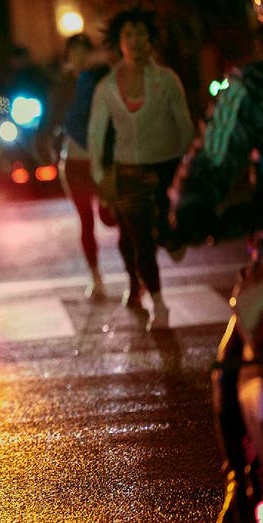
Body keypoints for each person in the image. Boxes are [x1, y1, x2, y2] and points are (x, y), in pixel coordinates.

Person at [174, 23, 263, 521]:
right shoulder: (251, 88)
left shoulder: (250, 86)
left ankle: (240, 482)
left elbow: (210, 162)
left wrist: (189, 212)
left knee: (231, 368)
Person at [87, 7, 194, 331]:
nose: (135, 42)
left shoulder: (166, 80)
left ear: (151, 41)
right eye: (128, 36)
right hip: (128, 171)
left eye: (141, 35)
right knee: (139, 240)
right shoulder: (106, 86)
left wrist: (187, 169)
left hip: (166, 167)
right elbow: (95, 134)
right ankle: (159, 304)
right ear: (119, 43)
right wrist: (100, 175)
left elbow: (185, 127)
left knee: (164, 230)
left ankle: (173, 237)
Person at [39, 33, 107, 301]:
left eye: (84, 51)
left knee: (111, 215)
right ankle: (95, 277)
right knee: (86, 221)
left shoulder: (102, 79)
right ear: (68, 56)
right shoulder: (62, 86)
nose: (80, 57)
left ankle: (134, 279)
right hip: (74, 162)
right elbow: (47, 123)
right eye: (74, 52)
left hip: (102, 160)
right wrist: (47, 153)